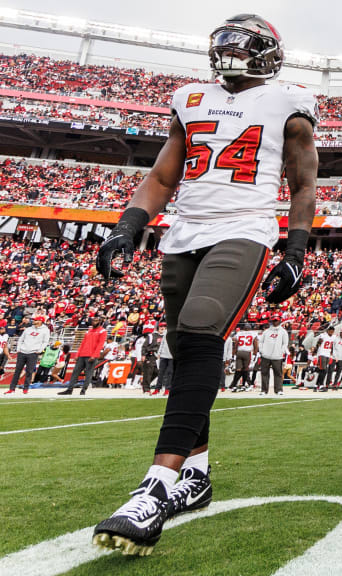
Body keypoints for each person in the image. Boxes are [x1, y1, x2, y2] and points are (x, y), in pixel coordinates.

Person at [92, 14, 318, 555]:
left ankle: (156, 487)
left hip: (244, 228)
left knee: (198, 333)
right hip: (183, 233)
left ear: (268, 54)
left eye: (242, 47)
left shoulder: (288, 102)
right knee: (183, 348)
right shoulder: (189, 98)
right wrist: (127, 225)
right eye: (224, 46)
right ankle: (196, 473)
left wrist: (296, 251)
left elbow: (304, 182)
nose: (230, 55)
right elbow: (164, 176)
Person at [58, 316, 106, 395]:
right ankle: (69, 389)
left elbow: (100, 345)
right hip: (82, 354)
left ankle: (83, 390)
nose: (94, 322)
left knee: (88, 373)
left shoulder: (102, 331)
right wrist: (77, 354)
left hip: (91, 355)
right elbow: (82, 343)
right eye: (93, 320)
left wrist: (94, 355)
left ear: (100, 322)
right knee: (75, 372)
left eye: (96, 320)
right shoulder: (88, 331)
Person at [6, 315, 49, 394]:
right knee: (17, 371)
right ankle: (12, 388)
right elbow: (21, 339)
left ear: (40, 321)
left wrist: (39, 350)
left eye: (35, 320)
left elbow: (45, 342)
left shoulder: (45, 330)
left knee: (29, 371)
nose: (34, 321)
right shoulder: (28, 329)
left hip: (33, 353)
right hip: (22, 351)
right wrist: (18, 349)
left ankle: (26, 388)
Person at [259, 315, 289, 396]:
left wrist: (281, 352)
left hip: (277, 356)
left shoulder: (283, 332)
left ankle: (278, 389)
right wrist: (262, 351)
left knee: (278, 373)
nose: (275, 322)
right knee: (264, 373)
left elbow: (285, 343)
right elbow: (261, 342)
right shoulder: (266, 332)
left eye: (276, 320)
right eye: (274, 320)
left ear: (279, 321)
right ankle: (264, 390)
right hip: (266, 356)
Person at [229, 325, 258, 392]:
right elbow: (256, 346)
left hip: (239, 352)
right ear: (250, 329)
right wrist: (254, 355)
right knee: (245, 369)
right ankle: (245, 385)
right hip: (247, 352)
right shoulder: (253, 334)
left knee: (238, 369)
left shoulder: (239, 334)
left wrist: (233, 355)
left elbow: (235, 346)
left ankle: (234, 386)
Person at [155, 324, 174, 396]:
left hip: (172, 356)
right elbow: (162, 343)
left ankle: (167, 389)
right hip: (163, 355)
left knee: (170, 373)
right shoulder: (165, 332)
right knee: (160, 373)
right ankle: (157, 389)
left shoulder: (175, 332)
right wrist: (159, 353)